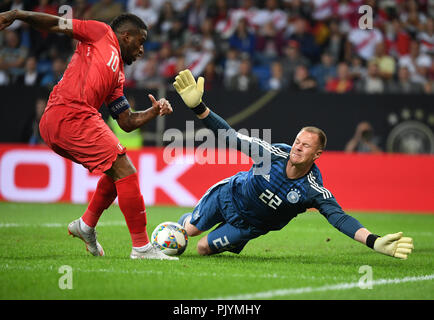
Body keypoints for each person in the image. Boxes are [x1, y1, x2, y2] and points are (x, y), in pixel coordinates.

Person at [172, 69, 414, 260]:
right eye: (297, 142)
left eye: (305, 146)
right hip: (229, 195)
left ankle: (193, 229)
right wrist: (198, 107)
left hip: (249, 226)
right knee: (191, 230)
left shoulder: (312, 190)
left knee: (203, 248)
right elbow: (231, 137)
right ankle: (181, 225)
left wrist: (373, 240)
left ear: (317, 154)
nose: (297, 147)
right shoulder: (271, 154)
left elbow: (339, 218)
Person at [0, 10, 177, 260]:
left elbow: (126, 121)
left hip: (68, 120)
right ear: (126, 36)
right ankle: (141, 248)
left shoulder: (117, 76)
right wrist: (17, 14)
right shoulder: (101, 32)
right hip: (68, 113)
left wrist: (153, 111)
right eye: (141, 42)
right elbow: (57, 23)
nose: (142, 50)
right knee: (125, 170)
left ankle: (86, 225)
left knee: (118, 173)